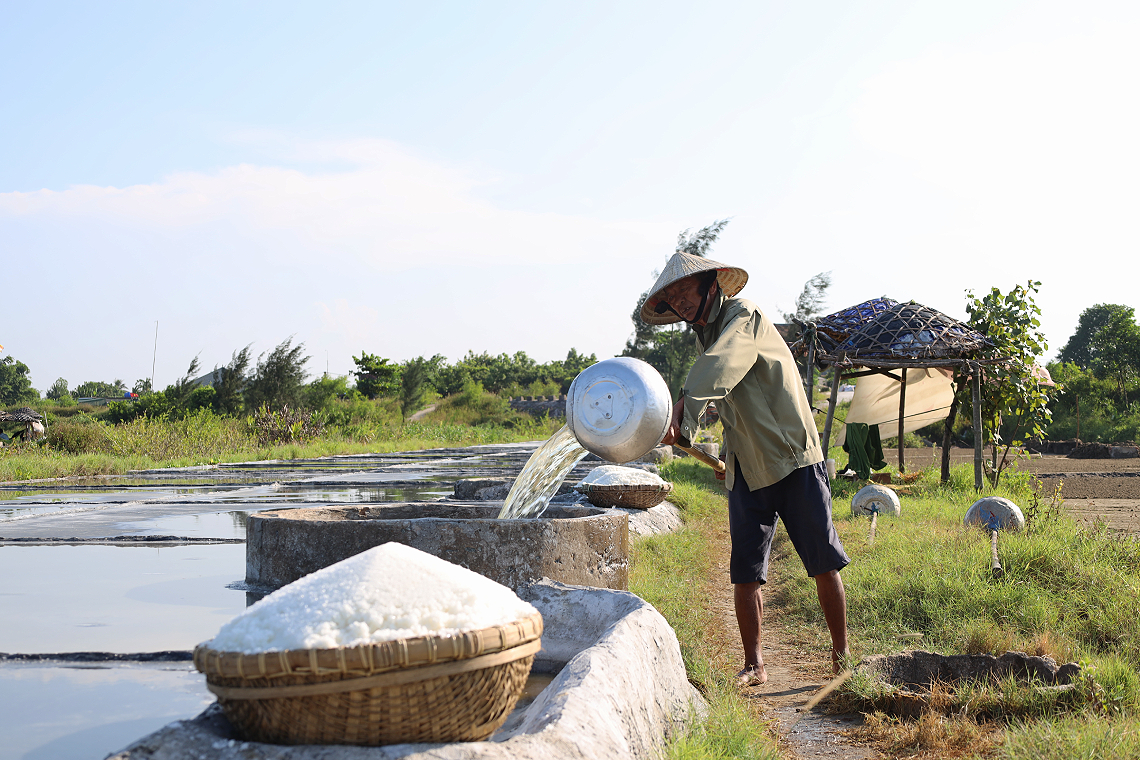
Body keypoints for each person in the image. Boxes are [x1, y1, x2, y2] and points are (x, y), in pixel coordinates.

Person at [643, 251, 850, 686]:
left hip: (793, 458)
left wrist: (682, 410)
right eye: (672, 298)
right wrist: (726, 456)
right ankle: (754, 665)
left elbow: (719, 369)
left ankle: (840, 658)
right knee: (745, 571)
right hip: (748, 467)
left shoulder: (744, 317)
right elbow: (735, 403)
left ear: (711, 285)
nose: (679, 302)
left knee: (822, 561)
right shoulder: (707, 334)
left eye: (684, 291)